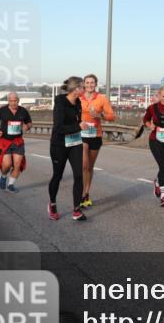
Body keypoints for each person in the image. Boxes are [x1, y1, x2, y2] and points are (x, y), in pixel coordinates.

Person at [49, 76, 90, 221]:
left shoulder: (78, 102)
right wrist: (78, 127)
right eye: (83, 87)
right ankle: (52, 204)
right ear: (76, 89)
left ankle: (76, 210)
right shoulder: (60, 103)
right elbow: (59, 128)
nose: (85, 90)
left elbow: (76, 122)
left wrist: (81, 126)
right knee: (57, 176)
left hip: (74, 143)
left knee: (79, 175)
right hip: (59, 145)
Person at [78, 73, 115, 208]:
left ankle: (86, 193)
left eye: (92, 82)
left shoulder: (102, 98)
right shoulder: (78, 98)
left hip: (95, 135)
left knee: (89, 167)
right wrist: (78, 122)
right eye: (87, 82)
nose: (89, 85)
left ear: (95, 84)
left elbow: (111, 116)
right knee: (84, 165)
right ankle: (81, 193)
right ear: (83, 84)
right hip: (81, 135)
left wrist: (99, 115)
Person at [0, 92, 32, 192]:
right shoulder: (3, 110)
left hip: (18, 141)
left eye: (15, 101)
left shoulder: (23, 111)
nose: (13, 103)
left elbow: (29, 123)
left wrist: (27, 126)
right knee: (7, 165)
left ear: (18, 101)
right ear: (8, 101)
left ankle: (11, 185)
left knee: (17, 164)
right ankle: (4, 176)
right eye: (11, 101)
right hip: (5, 141)